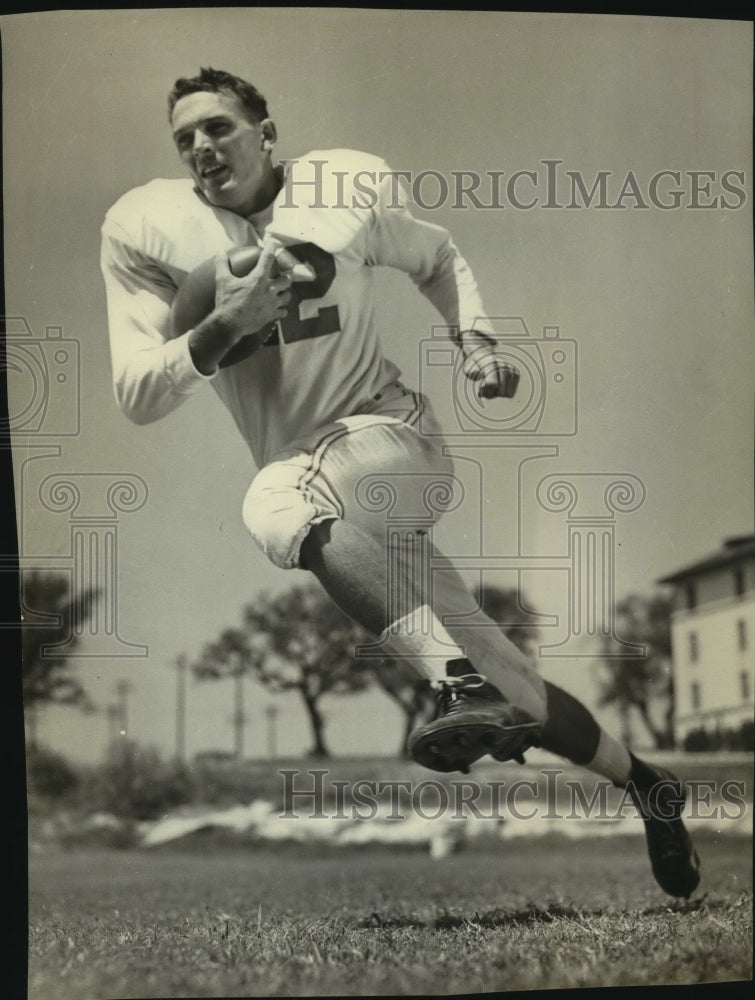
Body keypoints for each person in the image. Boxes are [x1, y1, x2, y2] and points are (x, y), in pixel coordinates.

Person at [101, 67, 699, 898]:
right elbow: (136, 391)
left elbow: (437, 254)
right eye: (185, 137)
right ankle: (648, 785)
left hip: (390, 442)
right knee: (517, 688)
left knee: (272, 504)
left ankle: (456, 685)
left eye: (220, 127)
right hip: (330, 490)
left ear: (265, 132)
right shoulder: (150, 229)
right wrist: (218, 330)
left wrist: (478, 343)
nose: (202, 147)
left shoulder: (331, 193)